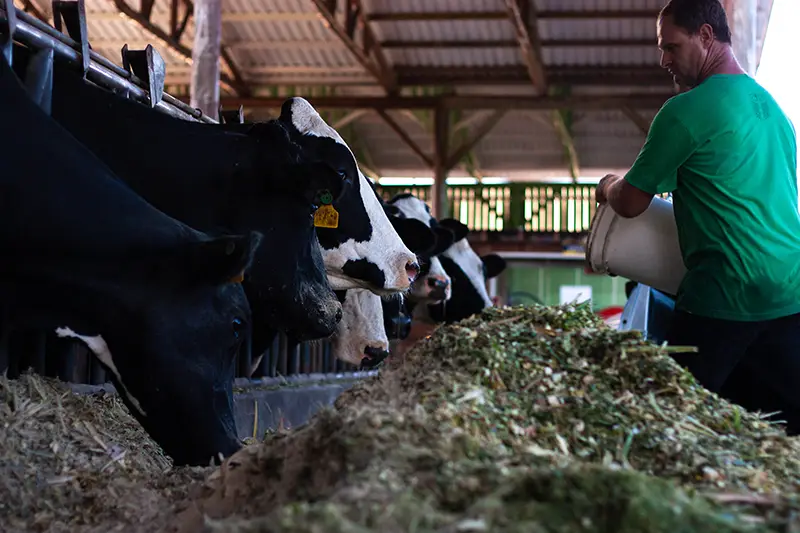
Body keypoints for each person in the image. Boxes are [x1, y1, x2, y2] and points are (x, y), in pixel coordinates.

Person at [594, 0, 800, 433]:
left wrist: (609, 184)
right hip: (789, 294)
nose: (664, 60)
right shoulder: (776, 113)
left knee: (672, 425)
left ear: (706, 37)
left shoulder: (684, 112)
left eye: (671, 47)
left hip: (723, 294)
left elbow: (631, 203)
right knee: (781, 426)